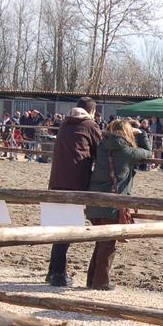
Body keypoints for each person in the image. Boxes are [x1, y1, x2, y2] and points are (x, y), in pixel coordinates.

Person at [85, 119, 153, 290]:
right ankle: (101, 282)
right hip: (112, 204)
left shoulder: (101, 146)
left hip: (93, 201)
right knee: (108, 244)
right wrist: (141, 133)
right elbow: (148, 153)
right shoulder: (127, 151)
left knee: (101, 241)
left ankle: (92, 279)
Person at [45, 98, 103, 288]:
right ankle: (58, 275)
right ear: (91, 111)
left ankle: (53, 271)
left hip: (56, 181)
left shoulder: (64, 124)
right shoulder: (90, 125)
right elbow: (101, 152)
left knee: (60, 227)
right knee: (68, 229)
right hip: (75, 183)